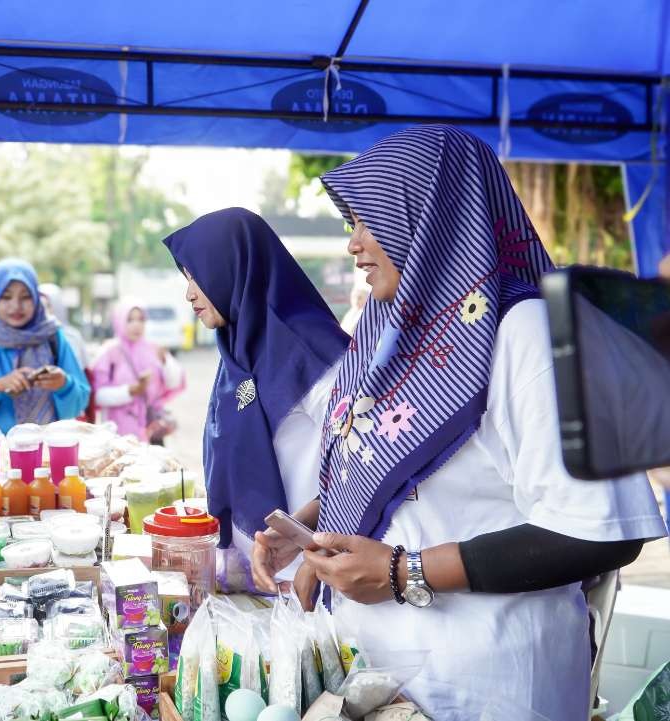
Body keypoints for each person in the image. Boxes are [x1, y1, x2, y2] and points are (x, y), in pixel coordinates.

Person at [253, 126, 666, 719]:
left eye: (371, 220)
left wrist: (402, 571)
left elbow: (603, 530)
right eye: (351, 224)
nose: (354, 244)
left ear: (437, 217)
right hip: (383, 676)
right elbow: (395, 463)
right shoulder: (394, 333)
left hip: (485, 684)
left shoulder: (530, 333)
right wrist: (310, 523)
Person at [160, 208, 349, 558]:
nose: (189, 294)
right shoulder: (238, 348)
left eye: (195, 277)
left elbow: (359, 464)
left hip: (305, 565)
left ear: (228, 269)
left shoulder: (312, 349)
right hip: (248, 563)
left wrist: (308, 543)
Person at [0, 259, 91, 449]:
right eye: (6, 297)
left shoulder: (53, 337)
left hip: (46, 460)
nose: (16, 306)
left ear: (36, 298)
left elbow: (81, 400)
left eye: (25, 297)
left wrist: (64, 384)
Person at [90, 300, 186, 444]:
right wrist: (130, 391)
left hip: (149, 432)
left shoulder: (153, 349)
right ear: (119, 321)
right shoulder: (109, 352)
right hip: (116, 435)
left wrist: (166, 363)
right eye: (130, 319)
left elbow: (174, 383)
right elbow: (97, 396)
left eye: (141, 319)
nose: (137, 324)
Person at [39, 282, 87, 368]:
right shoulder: (25, 336)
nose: (42, 311)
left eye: (47, 305)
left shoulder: (72, 336)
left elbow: (83, 369)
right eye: (39, 306)